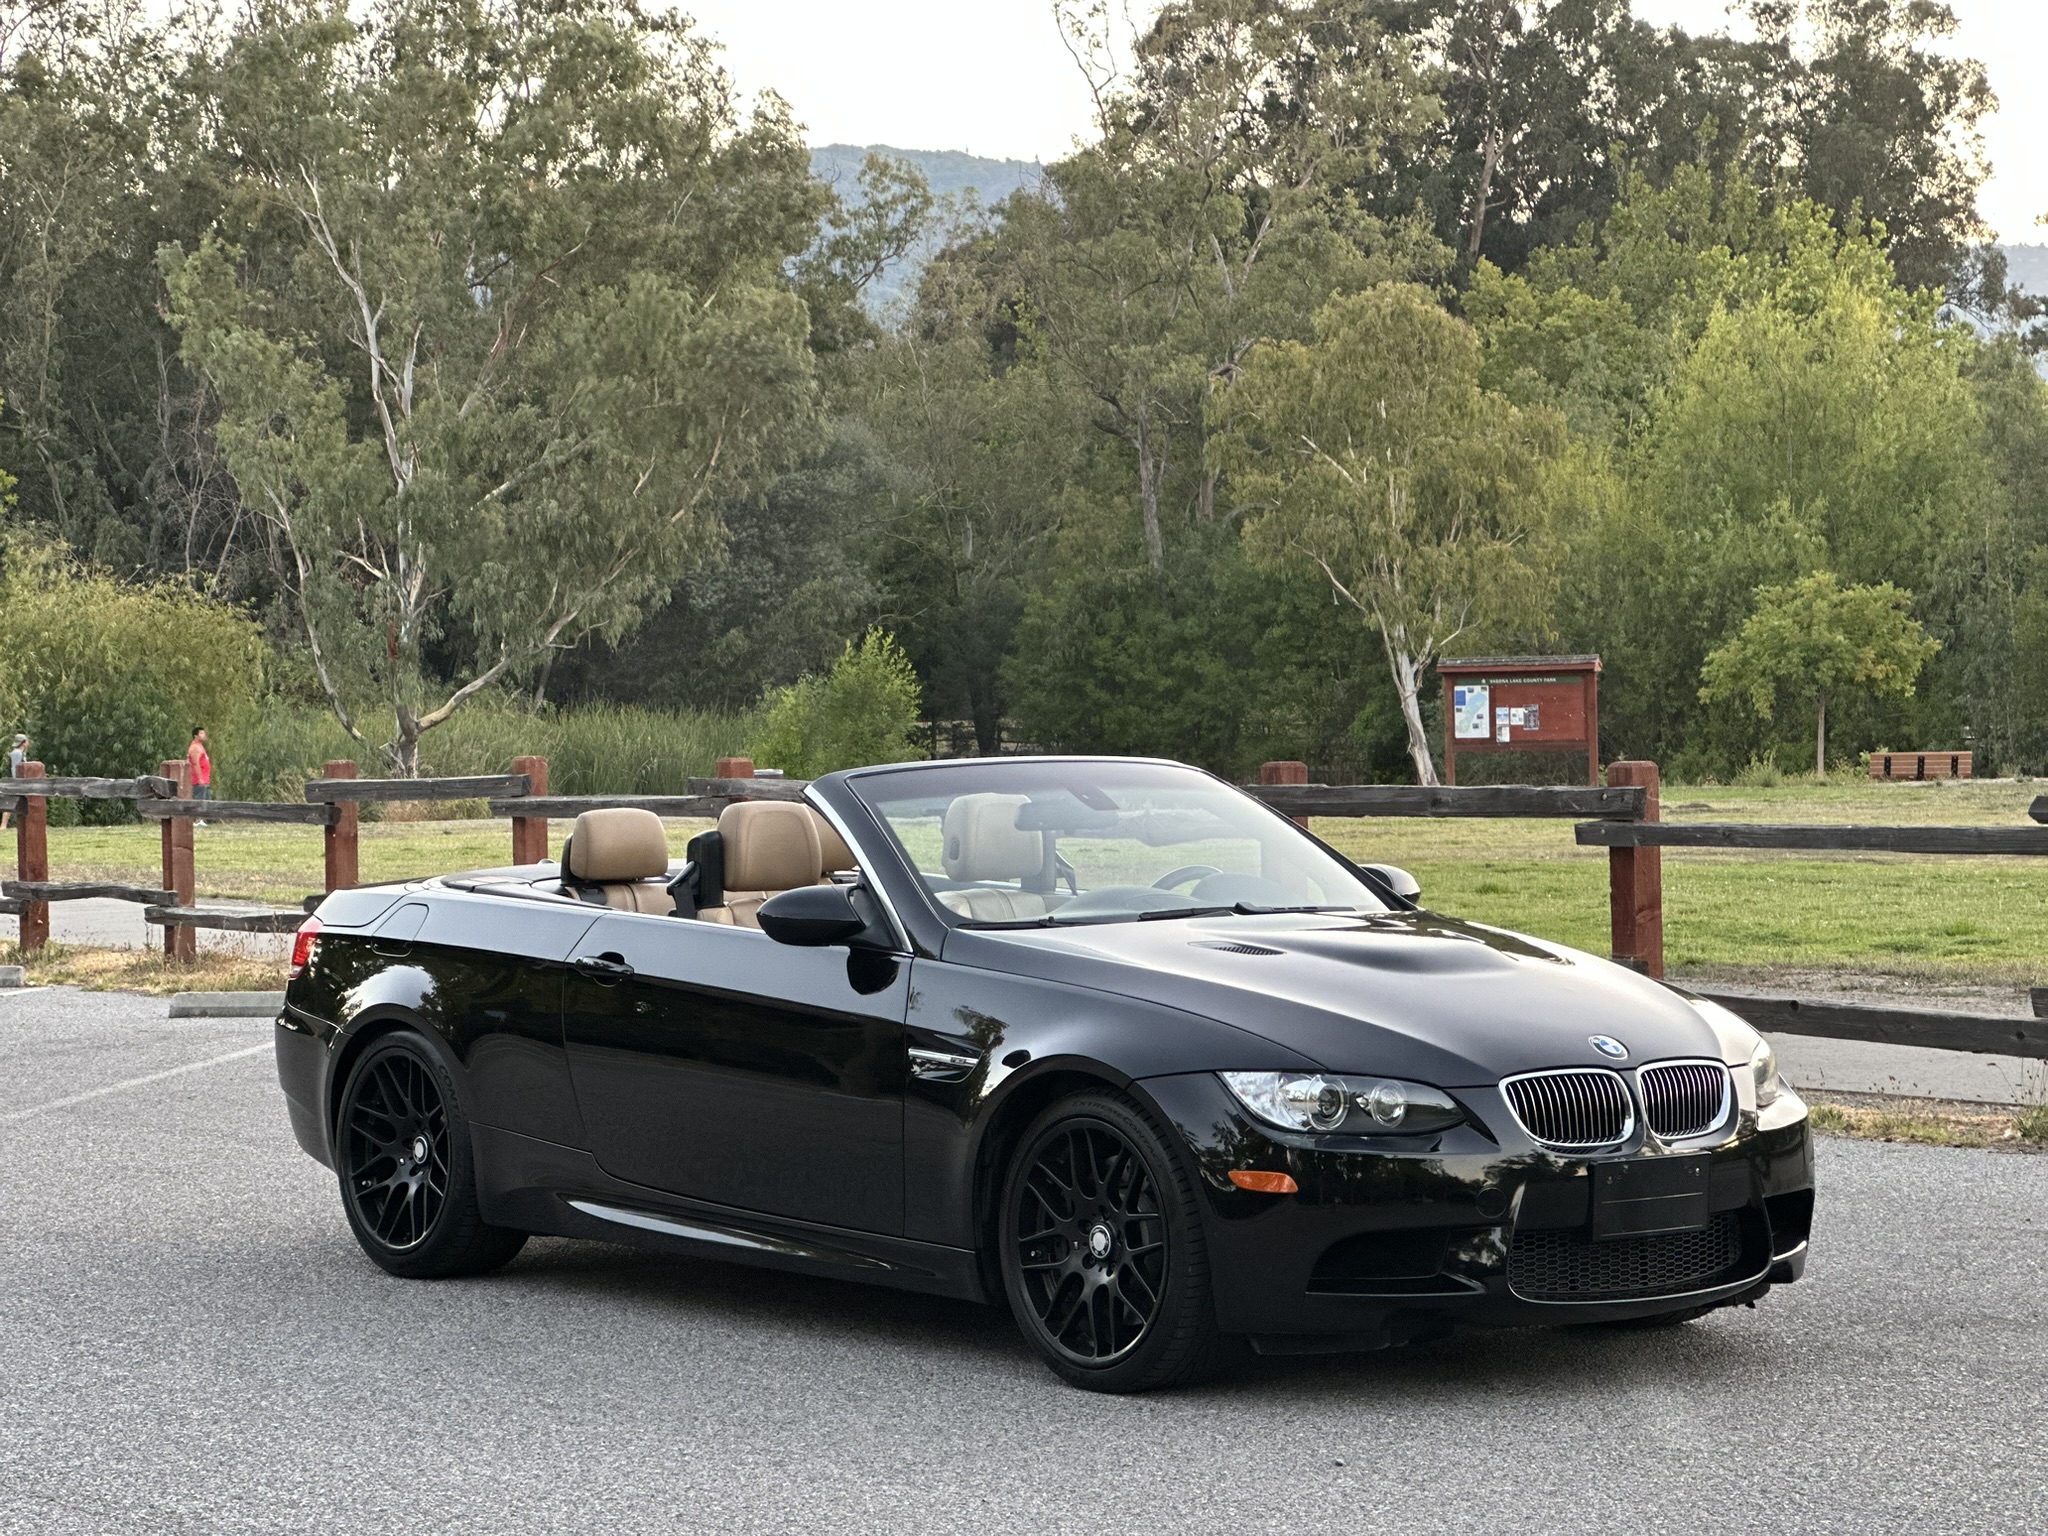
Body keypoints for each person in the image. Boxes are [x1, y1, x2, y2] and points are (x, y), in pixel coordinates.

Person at [187, 726, 211, 827]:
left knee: (204, 798)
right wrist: (200, 778)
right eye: (201, 733)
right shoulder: (195, 747)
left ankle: (200, 819)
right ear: (195, 736)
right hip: (198, 780)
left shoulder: (200, 746)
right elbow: (195, 763)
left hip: (204, 779)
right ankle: (196, 820)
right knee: (199, 799)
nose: (204, 735)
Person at [1, 733, 24, 833]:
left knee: (12, 802)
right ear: (23, 743)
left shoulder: (16, 753)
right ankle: (3, 825)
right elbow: (18, 767)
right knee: (11, 802)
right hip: (18, 781)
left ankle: (3, 825)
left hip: (17, 780)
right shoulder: (18, 753)